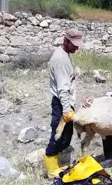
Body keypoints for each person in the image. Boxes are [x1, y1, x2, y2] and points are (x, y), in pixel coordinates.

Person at [43, 28, 83, 179]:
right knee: (58, 135)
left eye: (78, 44)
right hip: (61, 103)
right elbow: (62, 89)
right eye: (73, 44)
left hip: (65, 102)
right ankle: (52, 169)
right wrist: (66, 109)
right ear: (65, 40)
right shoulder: (61, 60)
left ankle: (57, 163)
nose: (76, 47)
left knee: (66, 136)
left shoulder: (64, 55)